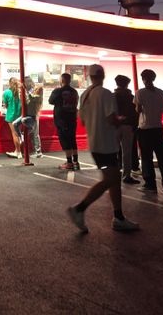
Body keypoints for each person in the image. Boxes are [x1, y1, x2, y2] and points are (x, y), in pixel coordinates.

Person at [67, 64, 139, 233]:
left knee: (114, 179)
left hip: (95, 143)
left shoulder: (85, 95)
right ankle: (79, 208)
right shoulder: (105, 94)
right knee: (110, 179)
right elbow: (111, 118)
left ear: (90, 76)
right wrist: (121, 120)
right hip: (106, 144)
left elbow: (82, 120)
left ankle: (118, 216)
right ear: (102, 75)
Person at [135, 69, 163, 196]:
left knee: (147, 158)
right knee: (162, 158)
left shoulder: (140, 93)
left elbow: (138, 110)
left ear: (143, 79)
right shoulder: (161, 92)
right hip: (158, 128)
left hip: (145, 129)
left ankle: (150, 185)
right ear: (154, 78)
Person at [49, 73, 79, 170]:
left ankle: (69, 163)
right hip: (72, 118)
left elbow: (50, 101)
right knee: (72, 140)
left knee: (65, 141)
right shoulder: (74, 91)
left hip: (62, 120)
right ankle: (76, 162)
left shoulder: (58, 91)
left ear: (61, 80)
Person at [113, 75, 139, 185]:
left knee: (112, 152)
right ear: (127, 84)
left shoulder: (112, 96)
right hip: (128, 126)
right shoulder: (131, 97)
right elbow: (136, 112)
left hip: (114, 126)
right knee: (127, 153)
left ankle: (112, 175)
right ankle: (126, 175)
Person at [1, 77, 22, 158]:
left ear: (10, 83)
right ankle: (17, 150)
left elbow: (5, 105)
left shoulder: (7, 93)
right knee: (18, 133)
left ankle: (18, 152)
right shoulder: (20, 92)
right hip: (20, 115)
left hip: (11, 116)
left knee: (15, 134)